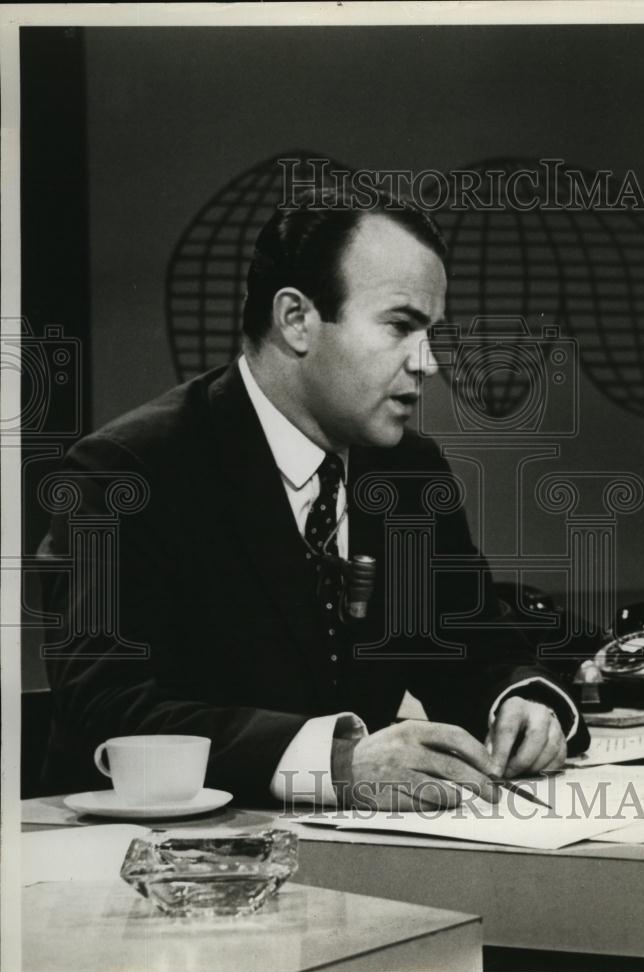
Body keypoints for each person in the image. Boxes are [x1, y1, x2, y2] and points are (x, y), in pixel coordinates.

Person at [38, 188, 589, 808]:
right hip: (139, 859)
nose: (428, 363)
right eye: (401, 326)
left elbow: (473, 645)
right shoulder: (126, 471)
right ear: (297, 320)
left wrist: (521, 702)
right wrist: (334, 763)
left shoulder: (408, 472)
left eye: (431, 333)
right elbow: (105, 706)